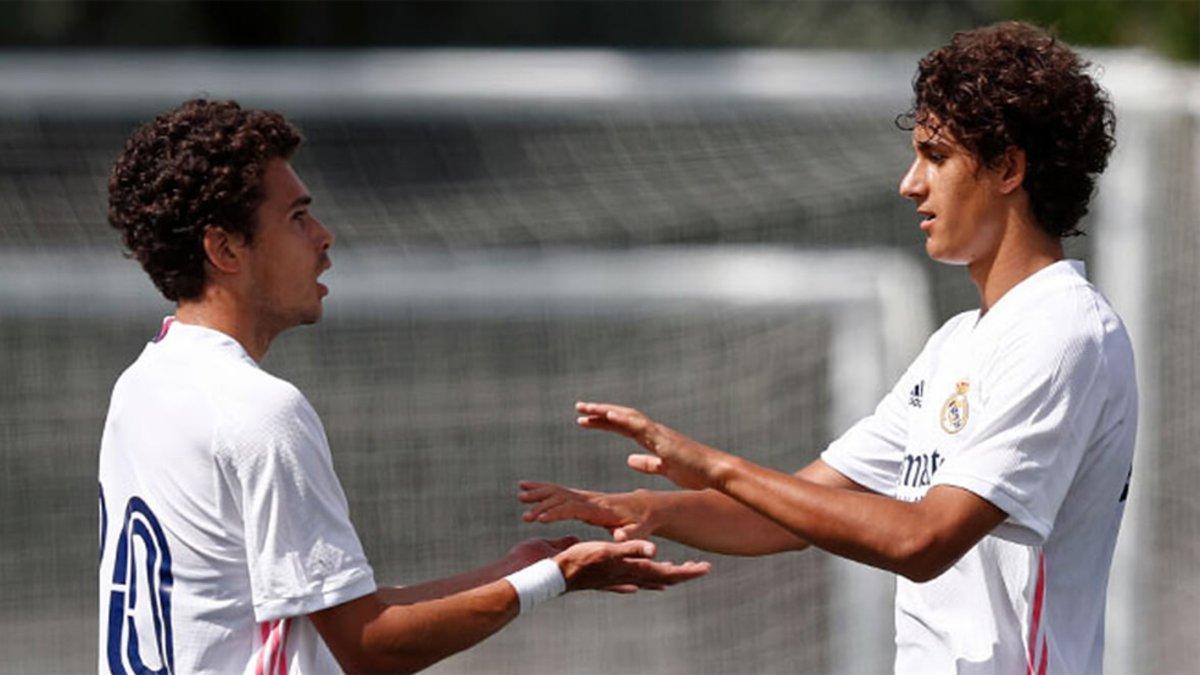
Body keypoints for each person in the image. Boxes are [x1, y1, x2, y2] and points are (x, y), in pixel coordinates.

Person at [519, 21, 1132, 674]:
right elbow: (784, 515)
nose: (910, 183)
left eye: (936, 155)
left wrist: (716, 465)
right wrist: (649, 511)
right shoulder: (958, 342)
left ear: (1009, 167)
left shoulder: (1063, 332)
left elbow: (920, 539)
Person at [98, 99, 709, 675]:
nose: (323, 235)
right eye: (297, 217)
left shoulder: (142, 385)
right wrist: (556, 579)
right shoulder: (258, 412)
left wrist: (514, 568)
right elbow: (370, 648)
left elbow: (330, 615)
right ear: (225, 248)